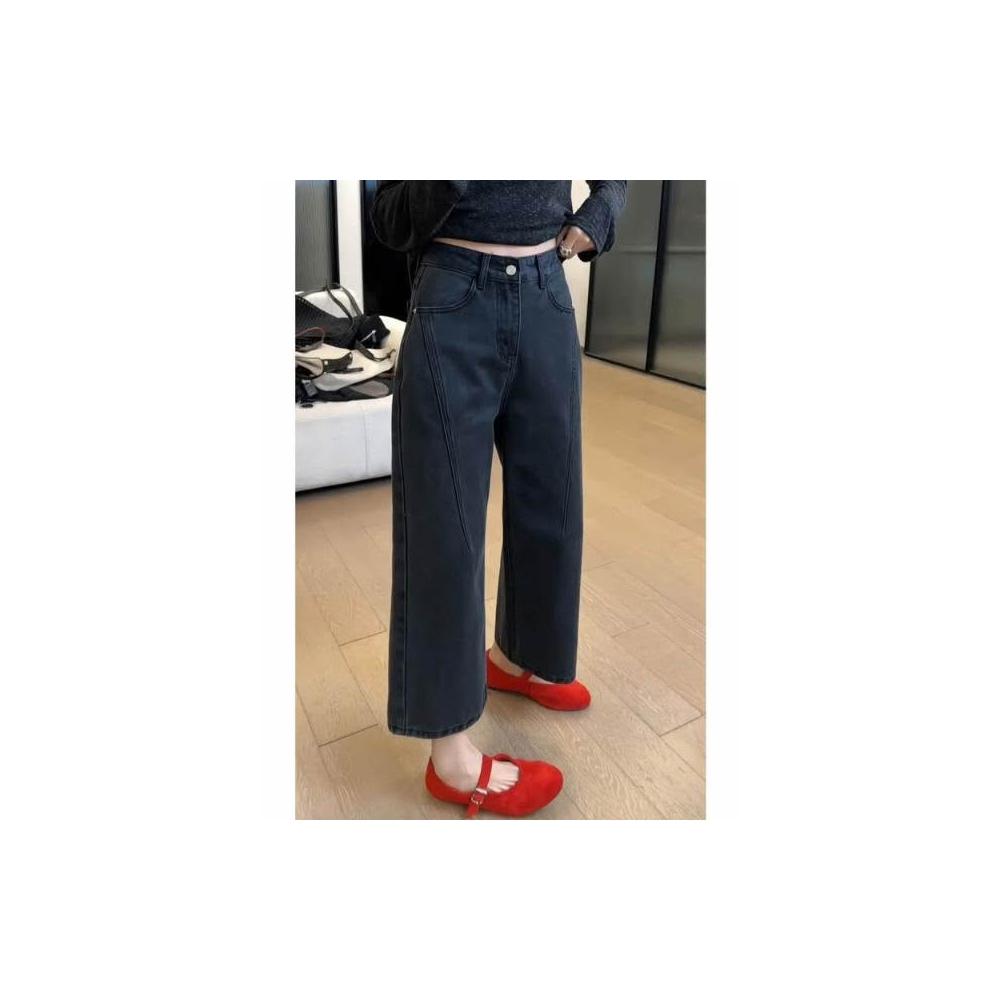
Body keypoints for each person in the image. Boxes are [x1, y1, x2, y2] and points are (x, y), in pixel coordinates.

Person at [371, 181, 628, 818]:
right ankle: (451, 759)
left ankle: (518, 659)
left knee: (554, 503)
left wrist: (599, 214)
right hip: (453, 294)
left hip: (547, 292)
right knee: (445, 526)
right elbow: (390, 219)